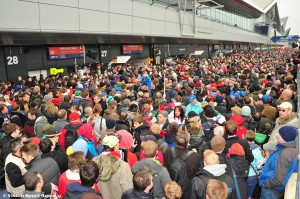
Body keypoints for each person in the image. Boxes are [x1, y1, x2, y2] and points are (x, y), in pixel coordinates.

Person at [259, 126, 298, 199]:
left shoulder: (284, 154)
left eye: (279, 134)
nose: (277, 135)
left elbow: (279, 180)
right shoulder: (290, 149)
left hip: (271, 190)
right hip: (273, 188)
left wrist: (265, 184)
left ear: (284, 138)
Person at [93, 135, 133, 199]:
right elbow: (128, 190)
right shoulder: (123, 166)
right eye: (118, 144)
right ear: (115, 147)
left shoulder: (94, 161)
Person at [163, 132, 200, 198]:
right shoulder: (194, 156)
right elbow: (196, 172)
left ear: (176, 141)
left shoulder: (168, 151)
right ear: (188, 142)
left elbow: (165, 167)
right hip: (186, 188)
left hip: (170, 185)